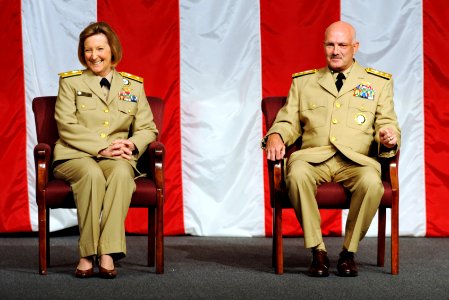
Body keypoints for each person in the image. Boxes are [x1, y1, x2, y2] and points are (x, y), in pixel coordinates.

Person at [263, 21, 400, 277]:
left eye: (342, 45)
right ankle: (318, 251)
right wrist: (276, 135)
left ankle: (348, 253)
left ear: (355, 47)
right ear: (324, 46)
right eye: (330, 44)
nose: (336, 51)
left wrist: (388, 136)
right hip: (314, 158)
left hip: (356, 161)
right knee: (296, 176)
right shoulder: (304, 83)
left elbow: (387, 121)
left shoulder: (378, 83)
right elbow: (287, 119)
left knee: (373, 183)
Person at [53, 22, 158, 279]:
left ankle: (108, 251)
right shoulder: (71, 82)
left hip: (117, 157)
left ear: (112, 50)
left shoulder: (132, 86)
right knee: (91, 174)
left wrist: (131, 144)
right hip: (75, 155)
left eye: (100, 48)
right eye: (88, 50)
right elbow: (66, 126)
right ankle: (87, 253)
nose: (94, 55)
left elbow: (148, 128)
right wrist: (103, 148)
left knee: (123, 174)